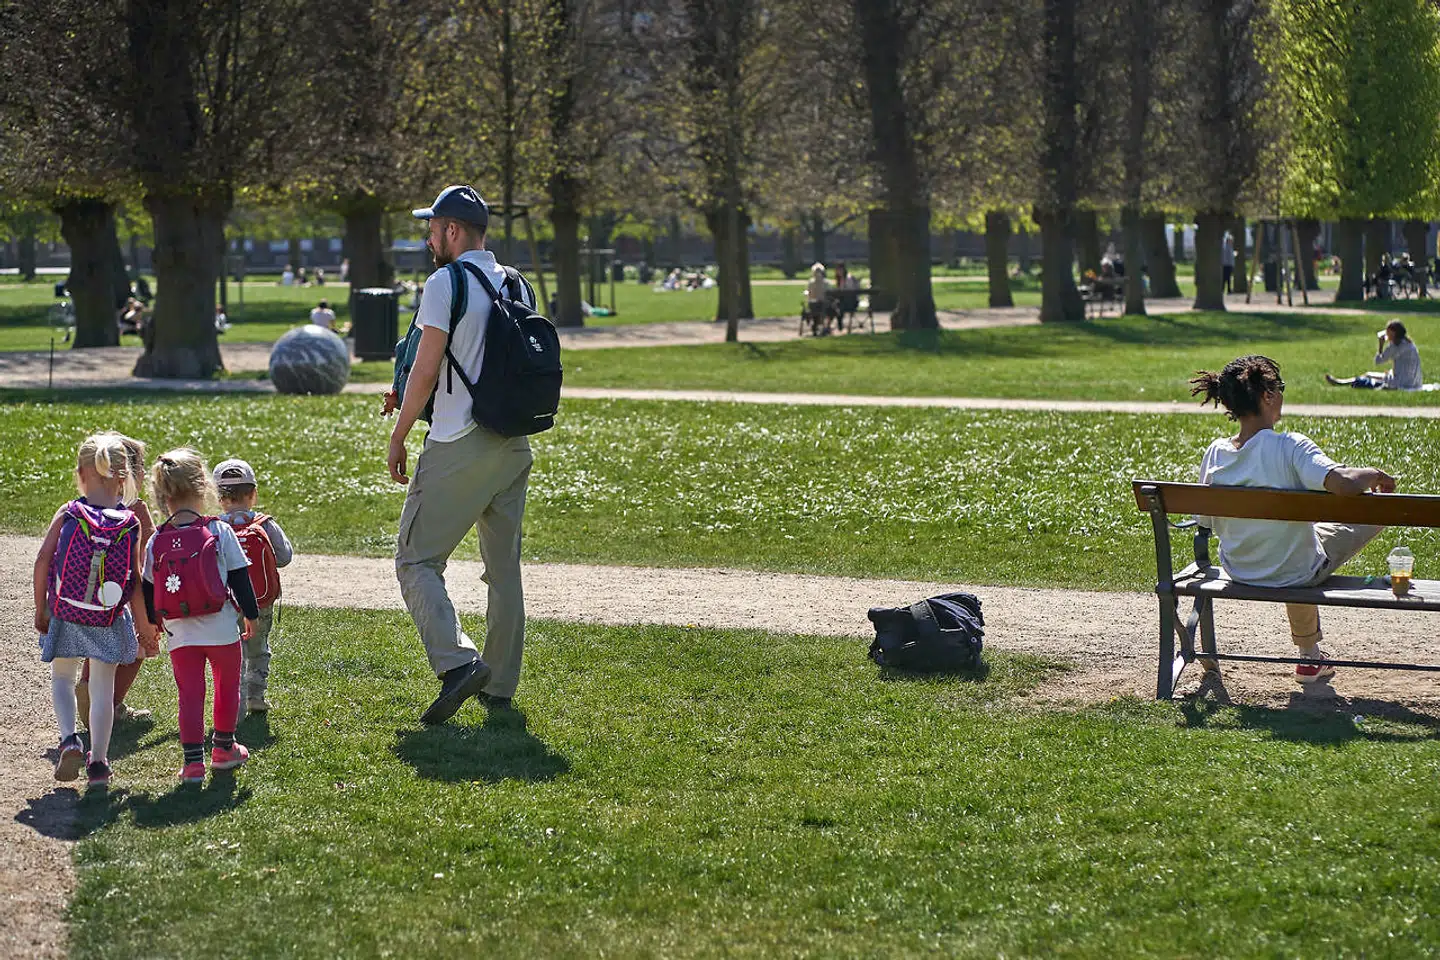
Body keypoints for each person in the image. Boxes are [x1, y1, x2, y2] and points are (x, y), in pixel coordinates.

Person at [383, 184, 538, 725]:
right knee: (503, 570)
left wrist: (400, 432)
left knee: (416, 560)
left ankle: (457, 664)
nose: (428, 237)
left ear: (452, 231)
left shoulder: (445, 282)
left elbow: (426, 370)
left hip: (457, 442)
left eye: (432, 227)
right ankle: (500, 684)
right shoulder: (516, 282)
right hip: (514, 443)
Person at [1190, 355, 1395, 684]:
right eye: (1279, 388)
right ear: (1267, 396)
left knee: (1294, 541)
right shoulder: (1290, 447)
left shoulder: (1215, 452)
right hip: (1296, 571)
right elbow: (1344, 483)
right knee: (1379, 508)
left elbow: (1207, 520)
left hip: (1240, 568)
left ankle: (1310, 657)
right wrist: (1376, 474)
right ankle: (1309, 657)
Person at [33, 433, 160, 788]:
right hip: (107, 618)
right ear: (123, 480)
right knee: (102, 690)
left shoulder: (69, 512)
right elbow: (134, 581)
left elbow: (43, 560)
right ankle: (100, 764)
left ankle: (69, 739)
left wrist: (41, 606)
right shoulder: (130, 522)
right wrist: (144, 626)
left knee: (62, 677)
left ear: (80, 474)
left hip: (67, 611)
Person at [143, 449, 258, 783]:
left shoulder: (157, 540)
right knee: (226, 686)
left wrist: (152, 624)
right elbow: (239, 577)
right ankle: (224, 749)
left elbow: (149, 588)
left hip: (180, 631)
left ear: (163, 497)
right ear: (205, 488)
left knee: (189, 694)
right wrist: (250, 615)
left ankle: (193, 763)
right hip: (221, 626)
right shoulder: (219, 531)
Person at [76, 435, 156, 729]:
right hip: (128, 597)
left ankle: (87, 685)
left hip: (91, 594)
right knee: (137, 649)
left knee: (99, 647)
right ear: (130, 474)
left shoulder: (89, 506)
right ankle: (112, 703)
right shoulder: (136, 510)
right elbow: (149, 555)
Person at [215, 458, 294, 714]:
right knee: (258, 649)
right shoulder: (265, 524)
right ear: (253, 494)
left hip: (226, 604)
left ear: (219, 497)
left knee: (232, 653)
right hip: (262, 602)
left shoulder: (215, 527)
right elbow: (284, 557)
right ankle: (256, 696)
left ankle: (234, 703)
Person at [1325, 320, 1423, 390]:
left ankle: (1341, 383)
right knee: (1372, 375)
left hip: (1401, 382)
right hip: (1414, 381)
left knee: (1368, 375)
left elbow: (1378, 361)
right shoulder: (1409, 343)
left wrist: (1380, 344)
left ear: (1394, 333)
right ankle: (1342, 382)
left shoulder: (1395, 347)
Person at [805, 262, 829, 333]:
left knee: (817, 307)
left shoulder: (812, 283)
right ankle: (818, 324)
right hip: (817, 303)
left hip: (817, 303)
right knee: (818, 307)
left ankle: (816, 324)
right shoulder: (825, 283)